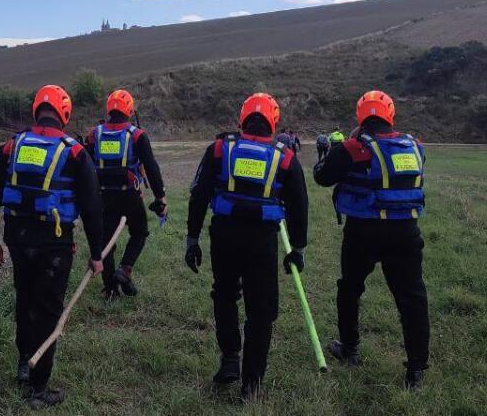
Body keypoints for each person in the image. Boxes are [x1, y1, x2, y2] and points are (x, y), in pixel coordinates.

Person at [0, 84, 106, 409]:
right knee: (49, 310)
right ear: (65, 114)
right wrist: (97, 254)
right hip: (54, 243)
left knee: (24, 298)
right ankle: (39, 389)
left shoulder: (12, 146)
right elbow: (92, 207)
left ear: (36, 110)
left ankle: (25, 363)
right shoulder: (75, 151)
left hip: (18, 239)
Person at [184, 93, 309, 400]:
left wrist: (192, 238)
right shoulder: (286, 158)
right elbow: (300, 206)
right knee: (260, 311)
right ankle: (251, 383)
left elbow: (198, 196)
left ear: (241, 119)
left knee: (224, 294)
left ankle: (230, 358)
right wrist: (298, 249)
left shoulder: (218, 150)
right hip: (262, 242)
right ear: (274, 121)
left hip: (224, 236)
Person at [313, 90, 430, 390]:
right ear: (390, 115)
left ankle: (349, 349)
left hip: (363, 230)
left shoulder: (353, 148)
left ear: (360, 115)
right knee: (412, 297)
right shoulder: (414, 146)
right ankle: (416, 369)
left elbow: (323, 177)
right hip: (405, 230)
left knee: (350, 289)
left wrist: (328, 150)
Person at [82, 89, 167, 300]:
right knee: (139, 233)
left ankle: (111, 290)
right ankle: (125, 269)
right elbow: (151, 167)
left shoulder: (95, 135)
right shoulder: (137, 135)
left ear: (109, 109)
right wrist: (160, 197)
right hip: (130, 196)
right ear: (129, 110)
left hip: (103, 197)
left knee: (106, 243)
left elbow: (85, 166)